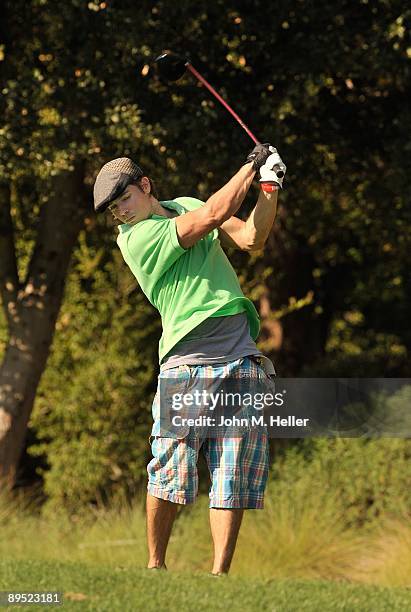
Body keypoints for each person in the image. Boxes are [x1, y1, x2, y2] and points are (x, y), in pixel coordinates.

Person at [93, 144, 286, 575]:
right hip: (187, 361)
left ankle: (219, 577)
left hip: (240, 356)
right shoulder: (138, 238)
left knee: (233, 469)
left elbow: (251, 239)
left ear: (145, 186)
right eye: (113, 209)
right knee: (170, 466)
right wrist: (250, 165)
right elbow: (212, 216)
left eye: (124, 199)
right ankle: (155, 566)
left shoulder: (185, 204)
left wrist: (268, 187)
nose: (121, 212)